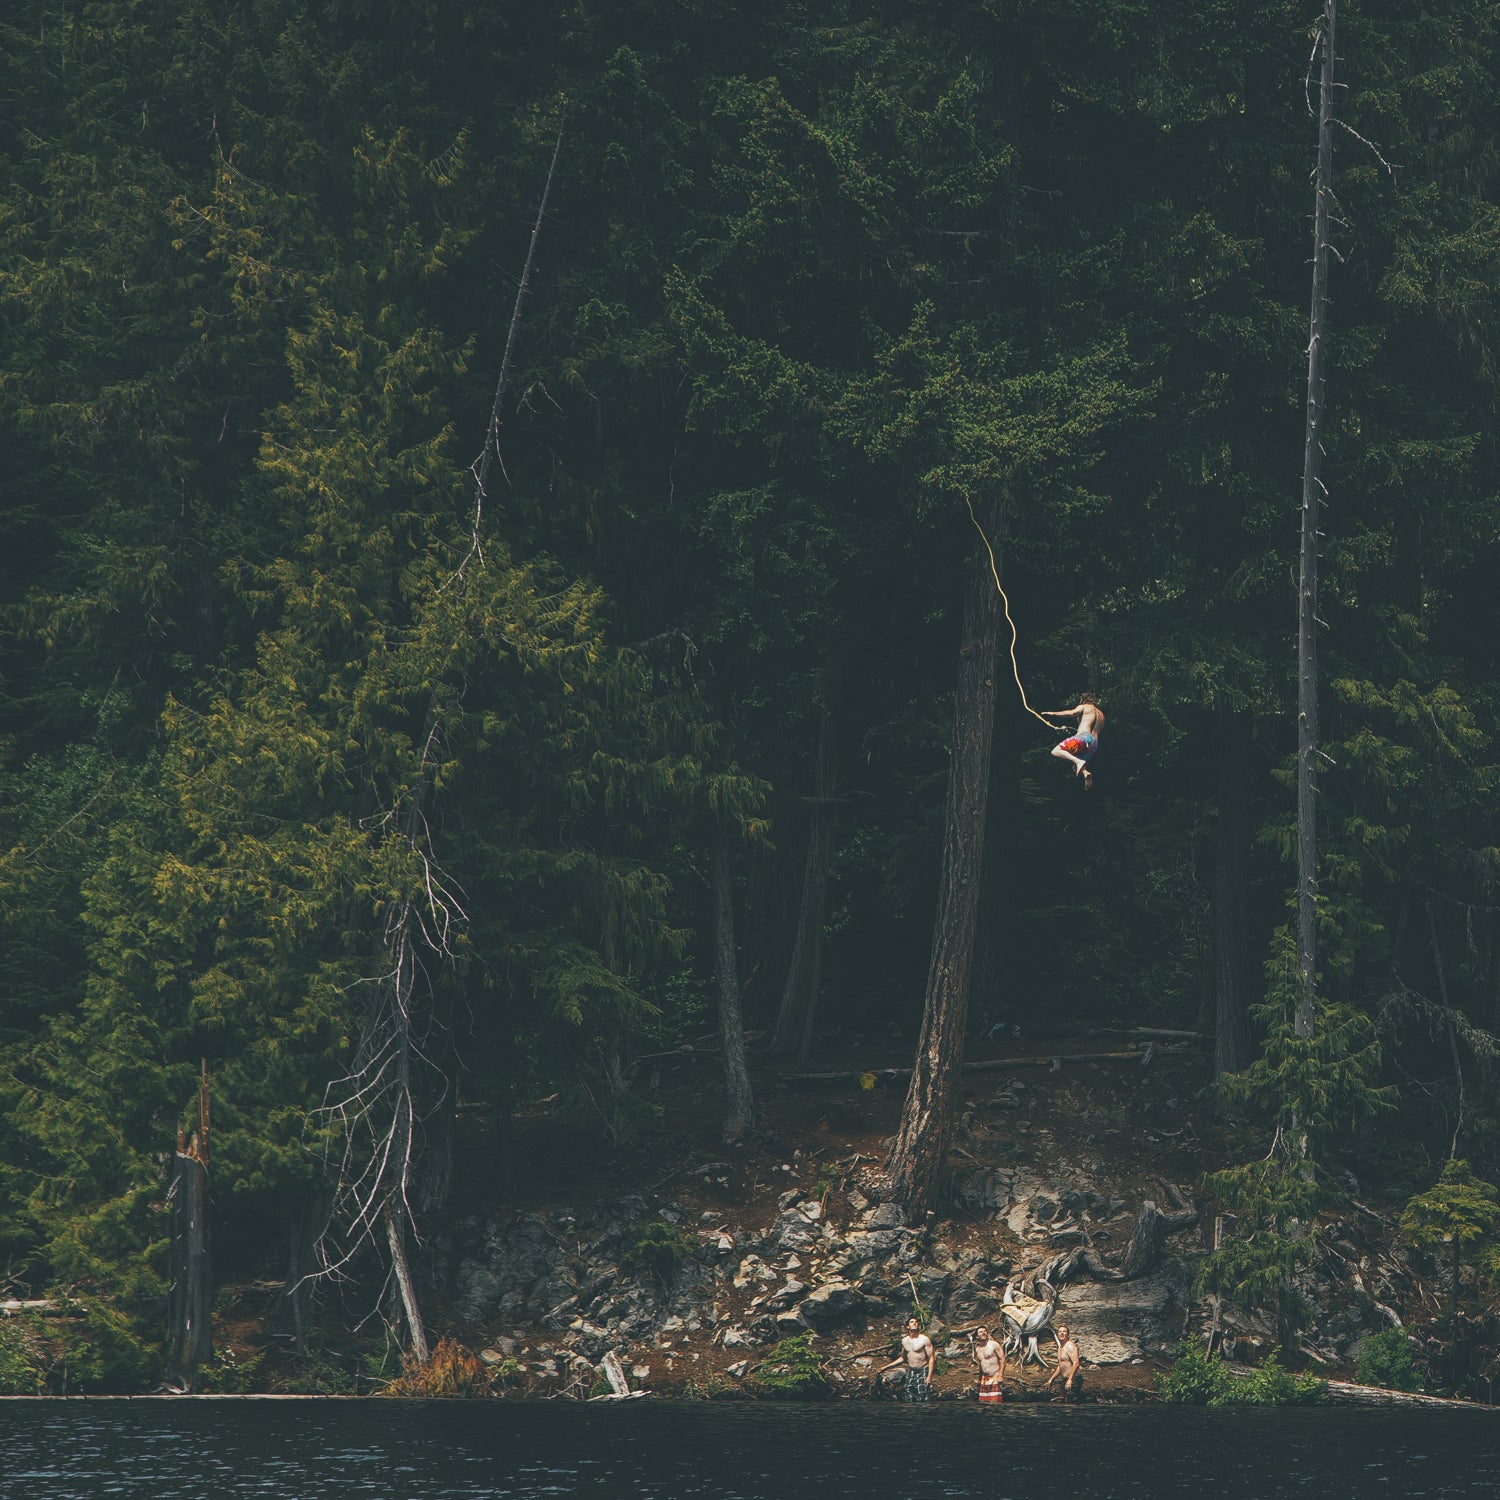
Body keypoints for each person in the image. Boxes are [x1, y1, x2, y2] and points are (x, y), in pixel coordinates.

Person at [1045, 696, 1105, 791]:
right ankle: (1086, 773)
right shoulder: (1101, 715)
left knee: (1056, 751)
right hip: (1093, 744)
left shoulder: (1085, 706)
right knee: (1076, 767)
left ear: (1083, 700)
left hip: (1083, 737)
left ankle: (1079, 762)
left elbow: (1071, 713)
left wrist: (1053, 713)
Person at [878, 1316, 935, 1402]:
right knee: (908, 1394)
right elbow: (902, 1358)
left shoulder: (924, 1339)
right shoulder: (904, 1341)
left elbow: (931, 1357)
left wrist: (929, 1376)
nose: (915, 1323)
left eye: (916, 1322)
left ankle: (924, 1413)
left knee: (922, 1395)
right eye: (912, 1322)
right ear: (908, 1326)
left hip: (923, 1370)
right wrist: (885, 1367)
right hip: (911, 1370)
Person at [1045, 1324, 1083, 1401]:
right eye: (1060, 1332)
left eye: (1064, 1331)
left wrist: (1070, 1379)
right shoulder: (1060, 1348)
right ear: (1057, 1334)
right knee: (1063, 1402)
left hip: (1074, 1379)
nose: (1062, 1333)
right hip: (1065, 1379)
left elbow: (1076, 1363)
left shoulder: (1070, 1346)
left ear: (1068, 1334)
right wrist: (1051, 1379)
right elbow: (1060, 1366)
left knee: (1070, 1404)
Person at [971, 1325, 1006, 1404]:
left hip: (995, 1378)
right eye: (981, 1332)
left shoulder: (993, 1344)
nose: (983, 1333)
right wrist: (979, 1379)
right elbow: (981, 1364)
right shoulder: (977, 1349)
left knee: (995, 1403)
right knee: (983, 1403)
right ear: (977, 1336)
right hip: (984, 1380)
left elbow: (1002, 1359)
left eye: (984, 1331)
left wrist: (1000, 1375)